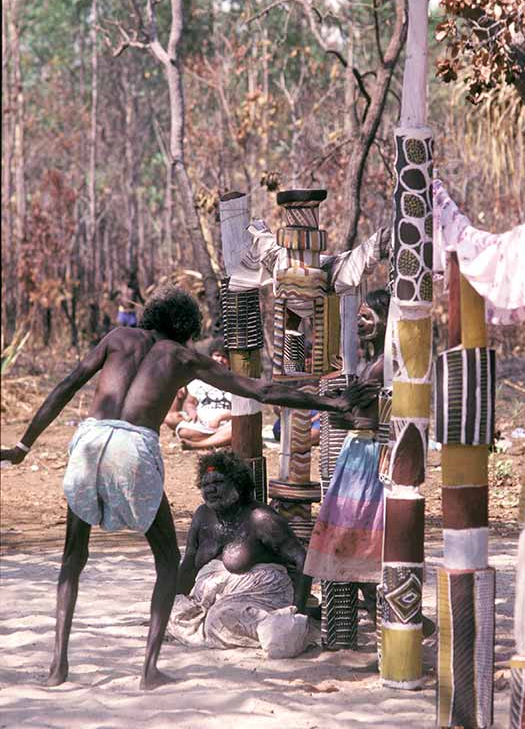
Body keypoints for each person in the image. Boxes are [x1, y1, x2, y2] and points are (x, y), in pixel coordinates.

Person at [0, 283, 359, 690]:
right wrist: (334, 403)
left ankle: (57, 667)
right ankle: (149, 670)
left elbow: (66, 385)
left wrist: (23, 445)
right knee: (168, 560)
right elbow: (261, 390)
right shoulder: (184, 357)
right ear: (187, 327)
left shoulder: (117, 337)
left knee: (73, 557)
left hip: (90, 443)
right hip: (133, 450)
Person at [167, 451, 312, 654]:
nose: (211, 489)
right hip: (212, 601)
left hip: (260, 595)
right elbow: (190, 562)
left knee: (219, 619)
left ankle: (268, 625)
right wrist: (172, 601)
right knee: (172, 609)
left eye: (218, 482)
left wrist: (298, 611)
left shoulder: (261, 519)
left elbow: (302, 559)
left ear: (238, 483)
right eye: (206, 484)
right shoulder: (202, 515)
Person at [304, 289, 391, 622]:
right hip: (356, 453)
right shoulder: (372, 363)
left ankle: (396, 622)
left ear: (387, 322)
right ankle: (384, 620)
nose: (361, 323)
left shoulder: (383, 365)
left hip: (365, 457)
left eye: (368, 317)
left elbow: (358, 416)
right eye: (359, 317)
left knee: (354, 545)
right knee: (349, 546)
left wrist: (342, 409)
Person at [171, 340, 233, 451]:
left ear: (229, 361)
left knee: (236, 429)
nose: (220, 360)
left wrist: (220, 417)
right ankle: (221, 441)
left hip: (225, 424)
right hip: (202, 424)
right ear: (211, 357)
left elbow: (240, 410)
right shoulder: (201, 380)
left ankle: (198, 445)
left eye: (224, 357)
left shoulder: (234, 381)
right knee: (183, 431)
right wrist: (192, 412)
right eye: (217, 355)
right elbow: (190, 402)